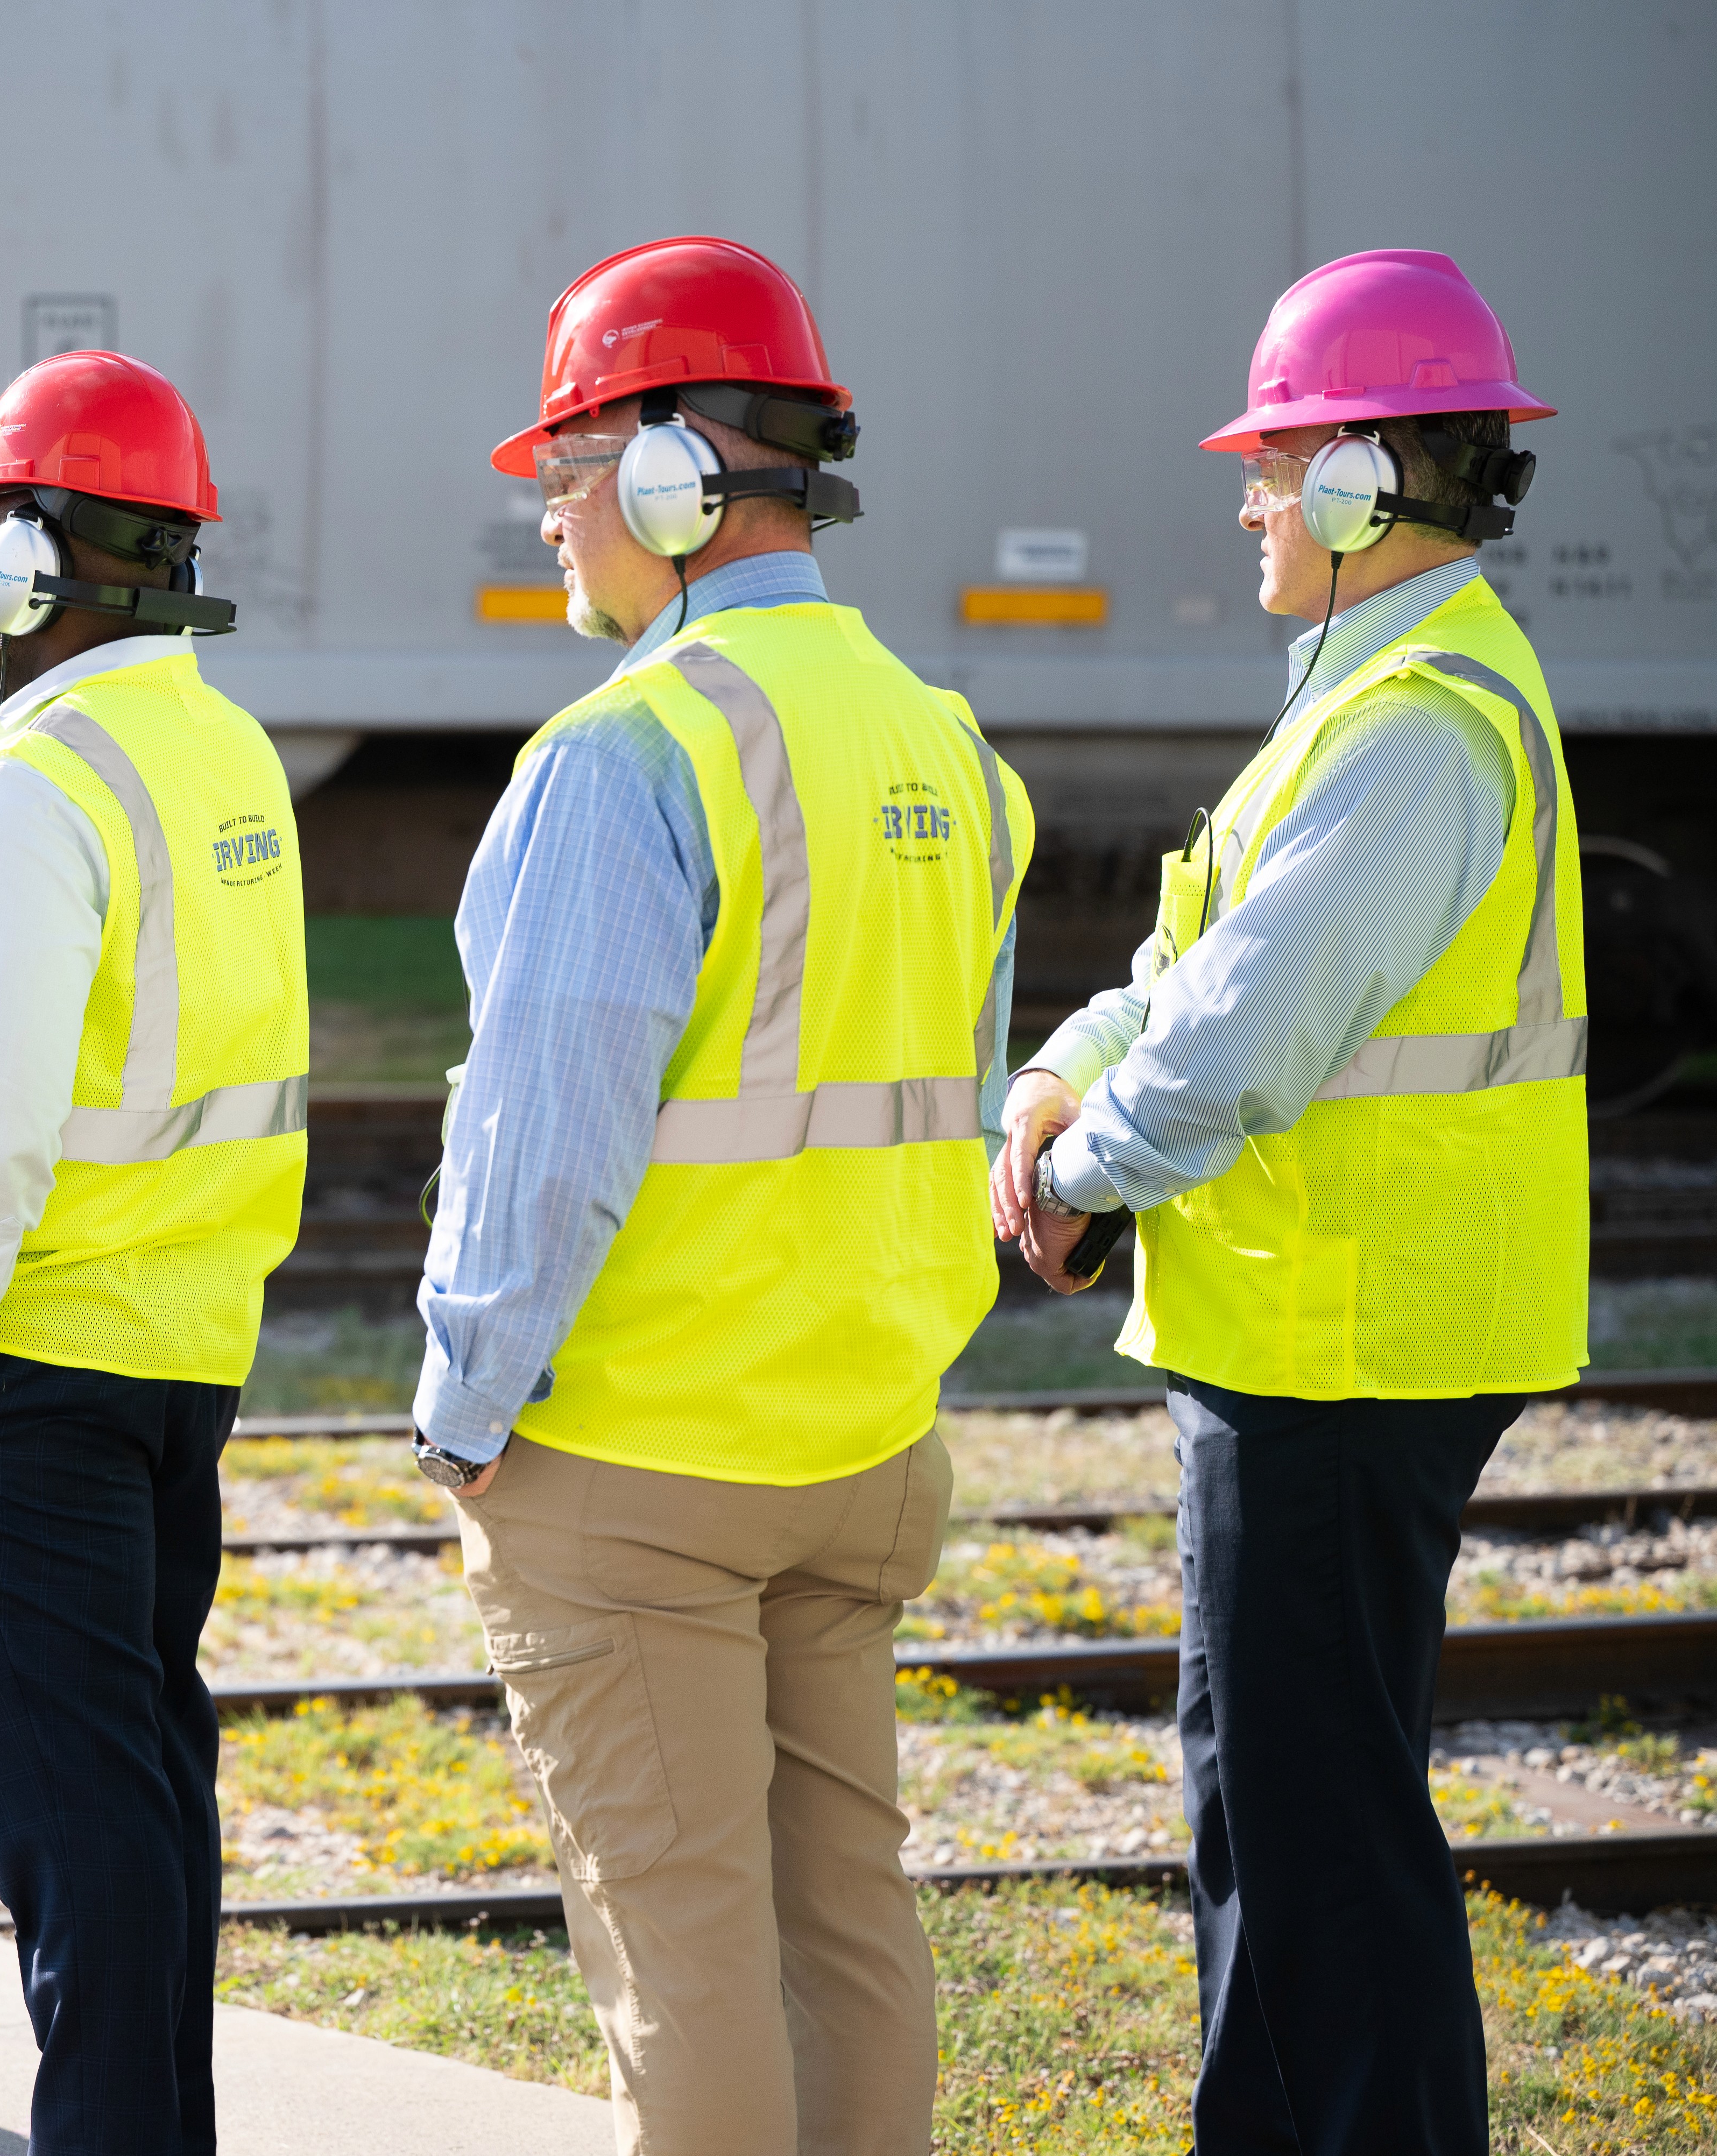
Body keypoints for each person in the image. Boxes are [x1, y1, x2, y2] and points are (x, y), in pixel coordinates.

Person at [414, 237, 1028, 2155]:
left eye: (569, 473)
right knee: (844, 1927)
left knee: (676, 1954)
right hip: (858, 1435)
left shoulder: (626, 755)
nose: (552, 522)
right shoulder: (942, 740)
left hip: (640, 1449)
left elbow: (549, 1142)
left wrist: (461, 1410)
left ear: (678, 476)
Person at [990, 249, 1572, 2154]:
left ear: (1360, 492)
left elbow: (1244, 1032)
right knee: (1263, 1801)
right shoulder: (1368, 699)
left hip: (1348, 1337)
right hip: (1304, 1327)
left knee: (1317, 1831)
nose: (1245, 498)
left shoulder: (1411, 727)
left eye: (1274, 465)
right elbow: (1191, 955)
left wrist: (1073, 1178)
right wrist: (1060, 1073)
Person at [0, 349, 304, 2156]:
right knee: (142, 1773)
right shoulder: (222, 749)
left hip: (20, 1365)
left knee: (69, 1813)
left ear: (40, 568)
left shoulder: (28, 789)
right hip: (178, 1350)